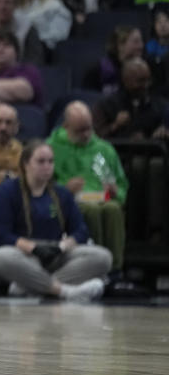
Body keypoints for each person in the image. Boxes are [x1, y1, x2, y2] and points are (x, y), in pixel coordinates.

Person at [0, 141, 111, 300]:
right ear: (26, 164)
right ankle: (64, 291)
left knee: (102, 257)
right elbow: (0, 234)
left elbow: (81, 230)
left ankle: (30, 287)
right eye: (40, 161)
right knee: (1, 258)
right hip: (22, 253)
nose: (47, 166)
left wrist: (62, 246)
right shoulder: (6, 191)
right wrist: (33, 248)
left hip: (54, 252)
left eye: (50, 161)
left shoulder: (61, 193)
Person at [48, 102, 128, 273]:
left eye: (88, 129)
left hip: (101, 197)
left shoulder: (103, 149)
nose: (86, 135)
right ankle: (95, 266)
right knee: (90, 210)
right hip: (70, 201)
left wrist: (116, 192)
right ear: (66, 126)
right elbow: (42, 183)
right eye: (79, 130)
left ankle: (115, 269)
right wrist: (64, 188)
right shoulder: (52, 148)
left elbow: (121, 184)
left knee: (113, 209)